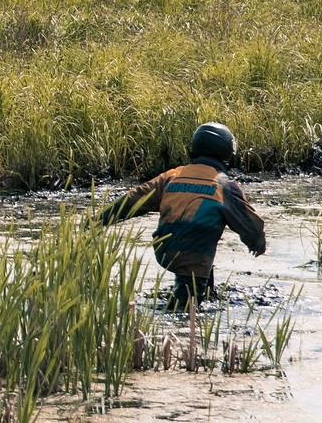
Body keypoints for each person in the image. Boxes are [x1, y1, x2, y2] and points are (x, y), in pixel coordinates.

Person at [93, 122, 266, 310]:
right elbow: (249, 222)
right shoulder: (224, 185)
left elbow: (134, 199)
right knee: (187, 307)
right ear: (226, 152)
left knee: (201, 279)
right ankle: (184, 323)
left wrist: (99, 219)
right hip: (194, 253)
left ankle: (201, 296)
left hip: (164, 248)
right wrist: (257, 243)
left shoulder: (172, 176)